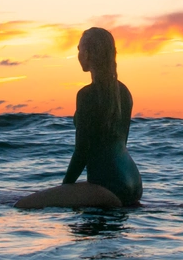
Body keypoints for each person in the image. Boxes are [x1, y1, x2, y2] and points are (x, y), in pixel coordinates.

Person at [14, 27, 143, 209]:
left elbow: (82, 151)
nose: (78, 55)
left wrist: (65, 189)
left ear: (88, 54)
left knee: (22, 205)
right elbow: (120, 143)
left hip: (107, 188)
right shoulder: (124, 92)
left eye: (79, 50)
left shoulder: (87, 95)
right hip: (134, 183)